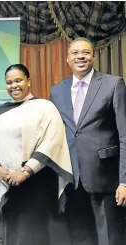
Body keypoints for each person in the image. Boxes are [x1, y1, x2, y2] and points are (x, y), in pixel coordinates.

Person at [50, 37, 126, 245]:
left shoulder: (113, 84)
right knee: (79, 237)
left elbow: (124, 135)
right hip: (72, 179)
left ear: (93, 56)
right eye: (75, 53)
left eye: (85, 52)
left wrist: (124, 181)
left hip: (106, 177)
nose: (80, 57)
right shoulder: (57, 91)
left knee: (110, 237)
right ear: (67, 59)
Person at [0, 64, 73, 245]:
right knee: (12, 234)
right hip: (9, 182)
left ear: (28, 81)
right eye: (9, 82)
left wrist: (26, 171)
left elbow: (52, 141)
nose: (14, 85)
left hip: (37, 183)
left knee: (32, 234)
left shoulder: (45, 107)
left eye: (18, 80)